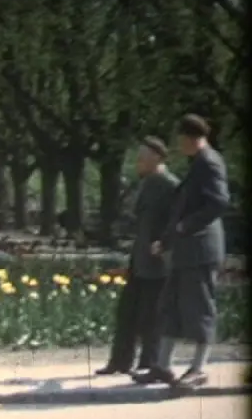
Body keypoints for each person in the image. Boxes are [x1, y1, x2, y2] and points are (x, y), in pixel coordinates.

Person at [133, 114, 230, 389]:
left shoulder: (210, 163)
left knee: (200, 308)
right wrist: (166, 240)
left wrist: (186, 227)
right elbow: (182, 209)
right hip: (186, 249)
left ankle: (199, 369)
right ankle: (162, 367)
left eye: (181, 140)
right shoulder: (197, 163)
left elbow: (218, 202)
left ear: (191, 138)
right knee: (170, 308)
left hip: (201, 249)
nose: (179, 145)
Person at [96, 137, 179, 375]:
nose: (138, 162)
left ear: (157, 158)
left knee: (151, 315)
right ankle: (120, 362)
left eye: (142, 157)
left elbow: (176, 221)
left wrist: (164, 244)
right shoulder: (147, 182)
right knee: (127, 312)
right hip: (139, 258)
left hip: (158, 261)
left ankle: (149, 363)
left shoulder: (170, 185)